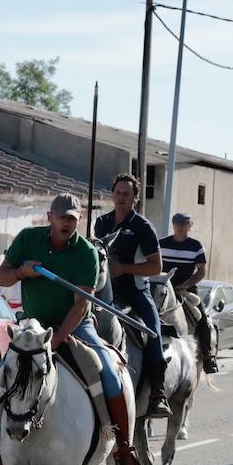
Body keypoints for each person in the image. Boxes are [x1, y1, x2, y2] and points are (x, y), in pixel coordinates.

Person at [0, 192, 143, 465]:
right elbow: (1, 277)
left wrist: (56, 340)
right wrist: (22, 271)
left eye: (73, 219)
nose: (68, 224)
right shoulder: (27, 239)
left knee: (110, 376)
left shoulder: (85, 252)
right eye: (62, 218)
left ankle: (124, 449)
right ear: (50, 217)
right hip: (33, 326)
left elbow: (80, 305)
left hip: (75, 327)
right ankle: (1, 451)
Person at [94, 173, 170, 417]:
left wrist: (124, 269)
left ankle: (158, 394)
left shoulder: (143, 227)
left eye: (127, 194)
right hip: (105, 291)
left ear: (135, 198)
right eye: (117, 193)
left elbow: (156, 267)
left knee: (153, 331)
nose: (121, 198)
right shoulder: (102, 222)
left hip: (136, 291)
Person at [158, 211, 219, 374]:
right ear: (173, 225)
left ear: (189, 227)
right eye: (178, 224)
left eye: (184, 224)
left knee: (203, 319)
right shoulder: (161, 244)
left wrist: (186, 285)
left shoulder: (196, 246)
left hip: (186, 288)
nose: (180, 227)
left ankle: (208, 356)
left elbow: (201, 271)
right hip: (163, 288)